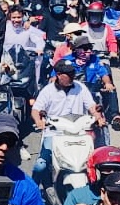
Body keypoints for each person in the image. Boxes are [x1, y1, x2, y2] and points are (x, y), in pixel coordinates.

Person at [31, 60, 103, 190]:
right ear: (58, 74)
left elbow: (92, 107)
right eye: (68, 74)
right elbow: (36, 110)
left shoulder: (80, 88)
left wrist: (98, 117)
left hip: (79, 133)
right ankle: (32, 192)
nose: (72, 76)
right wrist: (39, 121)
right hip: (54, 133)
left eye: (72, 73)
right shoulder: (48, 90)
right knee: (40, 166)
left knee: (96, 163)